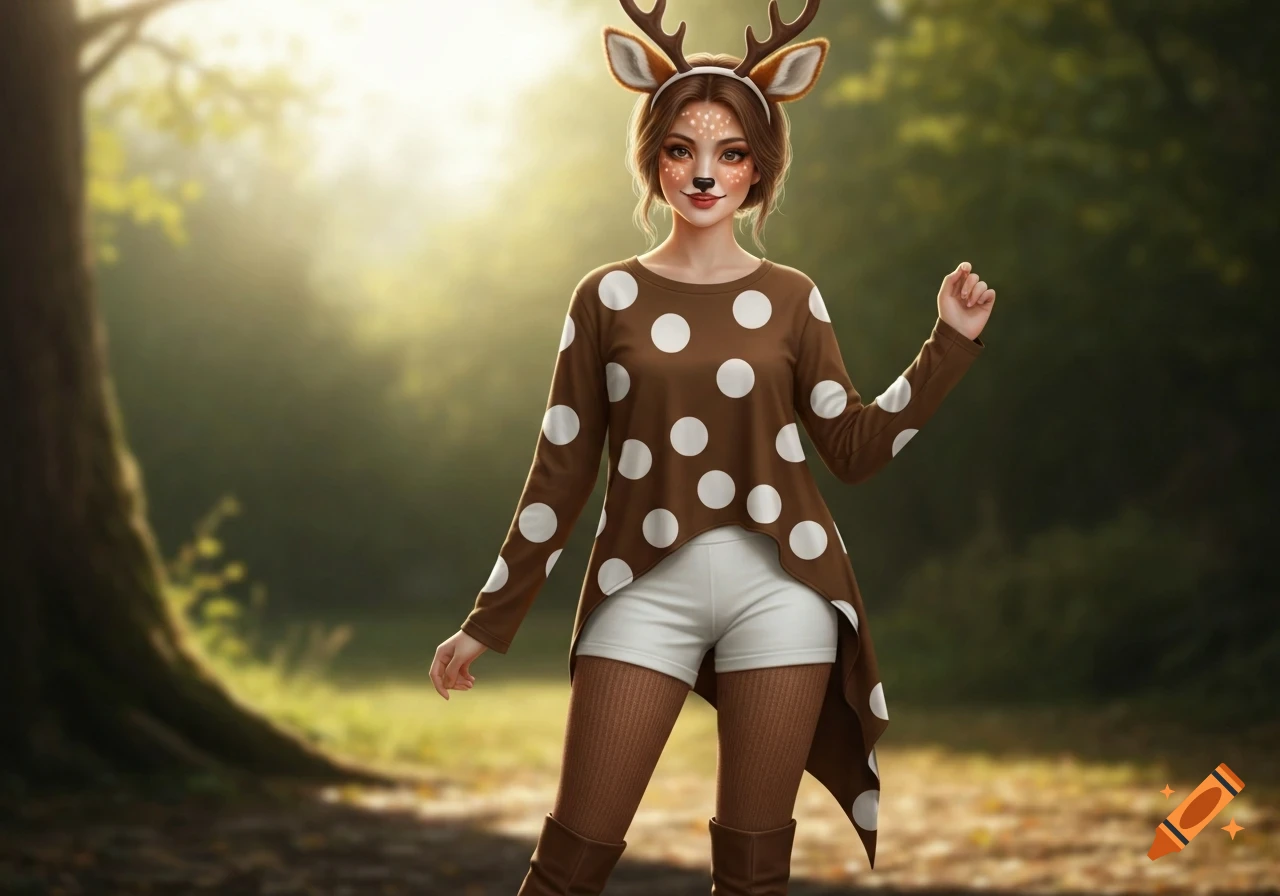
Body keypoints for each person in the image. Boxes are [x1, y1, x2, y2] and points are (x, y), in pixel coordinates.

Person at [431, 1, 996, 893]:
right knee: (569, 860)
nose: (704, 173)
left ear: (760, 168)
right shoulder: (605, 295)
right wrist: (489, 619)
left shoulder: (793, 297)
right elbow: (562, 467)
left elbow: (851, 447)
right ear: (652, 159)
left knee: (754, 871)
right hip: (638, 590)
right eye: (680, 150)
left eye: (730, 152)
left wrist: (947, 346)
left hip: (787, 592)